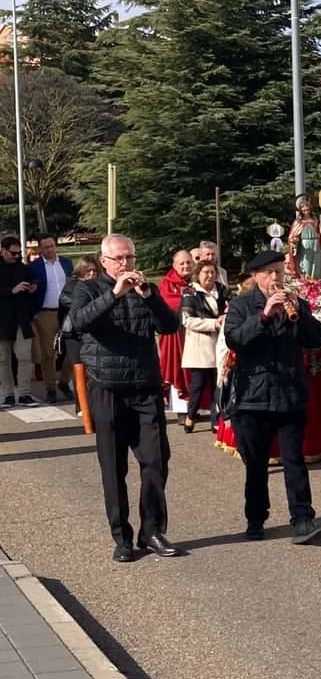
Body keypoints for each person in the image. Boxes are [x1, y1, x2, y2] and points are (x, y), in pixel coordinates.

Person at [69, 234, 181, 562]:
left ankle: (152, 530)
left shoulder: (146, 289)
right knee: (113, 468)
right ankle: (122, 537)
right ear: (104, 262)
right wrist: (115, 294)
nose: (125, 264)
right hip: (107, 388)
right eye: (118, 259)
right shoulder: (88, 289)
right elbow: (79, 322)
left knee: (156, 461)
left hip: (144, 386)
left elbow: (170, 326)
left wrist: (149, 297)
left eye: (129, 257)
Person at [224, 250, 321, 545]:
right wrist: (265, 316)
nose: (275, 278)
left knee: (295, 461)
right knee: (256, 464)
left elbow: (317, 339)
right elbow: (236, 339)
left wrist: (301, 314)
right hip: (252, 398)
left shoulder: (296, 302)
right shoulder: (241, 306)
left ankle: (303, 519)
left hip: (289, 395)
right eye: (269, 272)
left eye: (279, 272)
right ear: (255, 276)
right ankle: (256, 518)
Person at [181, 261, 227, 433]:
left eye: (213, 272)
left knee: (218, 384)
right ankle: (191, 416)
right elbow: (187, 320)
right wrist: (214, 323)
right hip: (199, 346)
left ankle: (216, 421)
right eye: (206, 272)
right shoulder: (190, 292)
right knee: (198, 386)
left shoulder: (221, 291)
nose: (210, 276)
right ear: (198, 274)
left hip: (219, 345)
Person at [28, 233, 74, 403]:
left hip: (67, 311)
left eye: (52, 246)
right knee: (48, 353)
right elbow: (29, 289)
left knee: (73, 348)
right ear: (40, 249)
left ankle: (64, 381)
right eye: (46, 247)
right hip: (45, 312)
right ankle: (51, 389)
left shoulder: (67, 263)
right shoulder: (34, 267)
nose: (50, 250)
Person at [57, 255, 99, 416]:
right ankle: (80, 405)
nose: (92, 274)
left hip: (93, 332)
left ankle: (93, 402)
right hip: (73, 333)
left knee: (92, 369)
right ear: (80, 271)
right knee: (79, 369)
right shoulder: (72, 285)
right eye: (88, 270)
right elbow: (65, 301)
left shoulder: (100, 285)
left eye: (95, 270)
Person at [0, 236, 38, 407]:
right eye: (13, 253)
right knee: (3, 359)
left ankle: (24, 393)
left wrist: (32, 288)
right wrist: (11, 290)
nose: (16, 257)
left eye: (19, 253)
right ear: (3, 250)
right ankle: (7, 394)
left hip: (22, 318)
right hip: (2, 319)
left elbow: (32, 282)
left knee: (24, 356)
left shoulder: (23, 268)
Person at [158, 249, 194, 410]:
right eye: (182, 263)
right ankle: (181, 408)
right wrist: (191, 302)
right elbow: (169, 303)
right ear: (174, 265)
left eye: (188, 262)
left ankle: (198, 405)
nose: (186, 266)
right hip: (175, 333)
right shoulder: (167, 283)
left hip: (196, 333)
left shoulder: (197, 279)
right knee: (177, 367)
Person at [286, 196, 321, 279]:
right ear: (301, 211)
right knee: (306, 263)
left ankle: (316, 280)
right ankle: (305, 279)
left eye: (307, 210)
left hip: (316, 243)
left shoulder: (315, 220)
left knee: (316, 263)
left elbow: (320, 232)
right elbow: (292, 235)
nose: (306, 212)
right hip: (305, 244)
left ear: (310, 210)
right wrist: (294, 241)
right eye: (304, 210)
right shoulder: (298, 222)